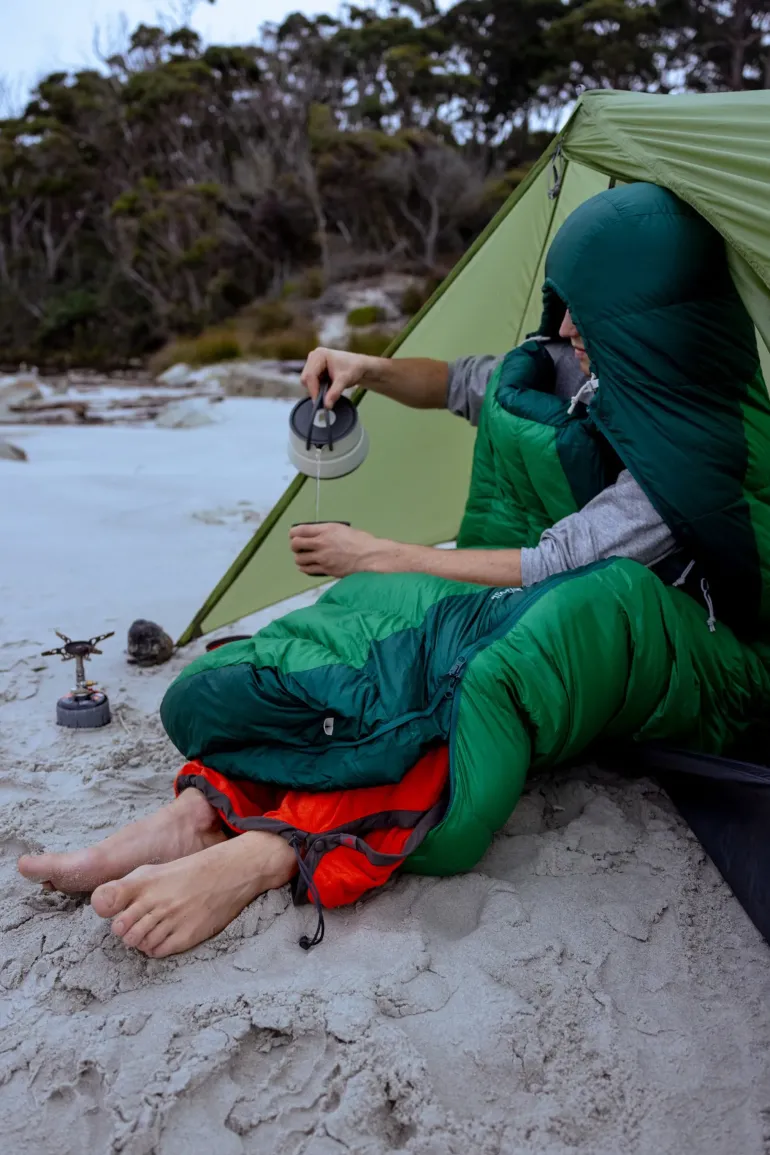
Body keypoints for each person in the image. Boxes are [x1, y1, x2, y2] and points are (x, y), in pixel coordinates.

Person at [289, 309, 677, 585]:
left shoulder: (678, 447)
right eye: (567, 304)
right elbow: (453, 382)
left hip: (568, 615)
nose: (565, 326)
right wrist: (366, 369)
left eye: (587, 308)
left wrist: (373, 556)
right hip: (482, 590)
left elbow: (560, 563)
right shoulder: (556, 362)